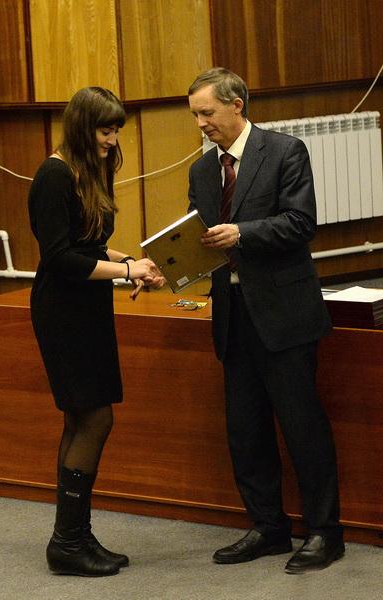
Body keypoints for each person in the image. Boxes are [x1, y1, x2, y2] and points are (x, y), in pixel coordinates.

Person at [186, 67, 343, 574]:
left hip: (285, 316)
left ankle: (325, 532)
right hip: (233, 318)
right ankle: (268, 527)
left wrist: (242, 235)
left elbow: (301, 224)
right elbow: (199, 236)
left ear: (236, 104)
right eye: (195, 116)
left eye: (207, 113)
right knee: (246, 430)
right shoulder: (201, 171)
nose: (201, 125)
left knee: (303, 428)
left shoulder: (284, 151)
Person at [28, 86, 164, 577]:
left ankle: (74, 536)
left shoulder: (88, 171)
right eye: (106, 130)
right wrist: (127, 274)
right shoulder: (53, 174)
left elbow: (92, 244)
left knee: (82, 419)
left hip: (87, 308)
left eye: (116, 130)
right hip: (63, 310)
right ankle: (68, 541)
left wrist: (130, 261)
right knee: (95, 418)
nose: (112, 139)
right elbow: (60, 257)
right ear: (84, 127)